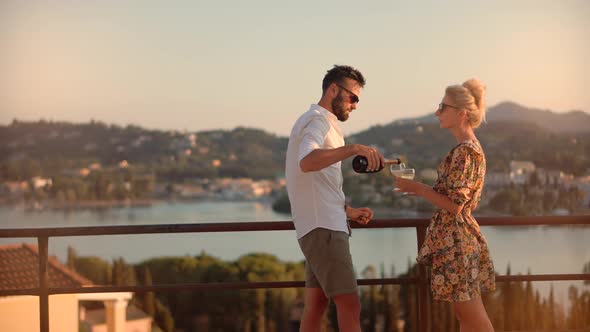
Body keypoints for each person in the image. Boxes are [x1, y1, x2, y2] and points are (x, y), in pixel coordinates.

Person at [285, 65, 385, 332]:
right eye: (353, 97)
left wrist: (346, 212)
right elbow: (307, 162)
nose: (355, 105)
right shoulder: (317, 121)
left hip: (322, 225)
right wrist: (352, 149)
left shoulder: (319, 123)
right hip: (324, 229)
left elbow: (318, 184)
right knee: (350, 305)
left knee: (316, 306)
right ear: (333, 90)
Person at [394, 78, 496, 331]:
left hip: (458, 242)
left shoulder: (465, 151)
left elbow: (455, 206)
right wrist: (420, 190)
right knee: (465, 316)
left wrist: (417, 187)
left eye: (443, 106)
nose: (437, 112)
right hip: (456, 241)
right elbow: (452, 198)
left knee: (473, 316)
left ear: (461, 113)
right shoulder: (468, 148)